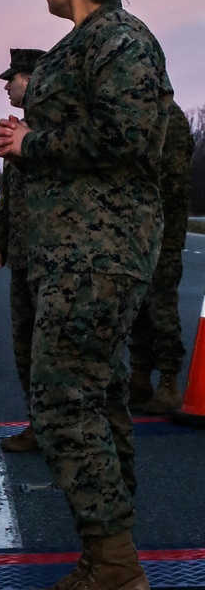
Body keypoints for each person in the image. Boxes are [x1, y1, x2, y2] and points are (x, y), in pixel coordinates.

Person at [0, 0, 171, 590]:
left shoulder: (122, 42)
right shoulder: (82, 45)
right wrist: (27, 147)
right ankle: (107, 562)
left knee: (63, 394)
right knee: (95, 395)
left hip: (102, 250)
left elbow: (132, 141)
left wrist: (36, 140)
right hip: (70, 248)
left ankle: (118, 570)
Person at [0, 49, 46, 452]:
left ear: (31, 78)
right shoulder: (20, 129)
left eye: (13, 78)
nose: (7, 85)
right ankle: (37, 424)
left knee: (51, 350)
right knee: (24, 343)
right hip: (23, 254)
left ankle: (58, 428)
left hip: (53, 255)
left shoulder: (48, 132)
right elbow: (8, 197)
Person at [128, 102, 195, 414]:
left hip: (161, 230)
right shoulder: (138, 107)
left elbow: (170, 178)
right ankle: (139, 377)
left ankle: (169, 381)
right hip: (135, 230)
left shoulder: (169, 116)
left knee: (160, 306)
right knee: (137, 306)